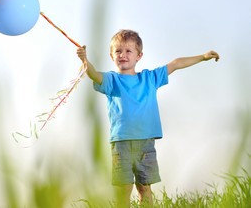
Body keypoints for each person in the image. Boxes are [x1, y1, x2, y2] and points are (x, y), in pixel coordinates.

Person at [76, 29, 220, 208]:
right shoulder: (111, 80)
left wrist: (203, 57)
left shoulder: (149, 78)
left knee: (144, 188)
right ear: (111, 56)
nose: (123, 55)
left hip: (146, 143)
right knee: (124, 189)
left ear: (139, 56)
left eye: (128, 51)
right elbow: (93, 74)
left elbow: (175, 63)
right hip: (121, 143)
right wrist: (84, 60)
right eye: (118, 51)